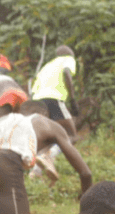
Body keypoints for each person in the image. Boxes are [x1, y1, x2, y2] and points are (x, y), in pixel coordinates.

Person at [30, 45, 80, 178]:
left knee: (48, 137)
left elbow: (35, 88)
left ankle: (35, 171)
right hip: (53, 99)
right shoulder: (67, 60)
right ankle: (49, 156)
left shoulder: (47, 66)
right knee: (71, 135)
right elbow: (66, 73)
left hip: (37, 102)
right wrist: (73, 100)